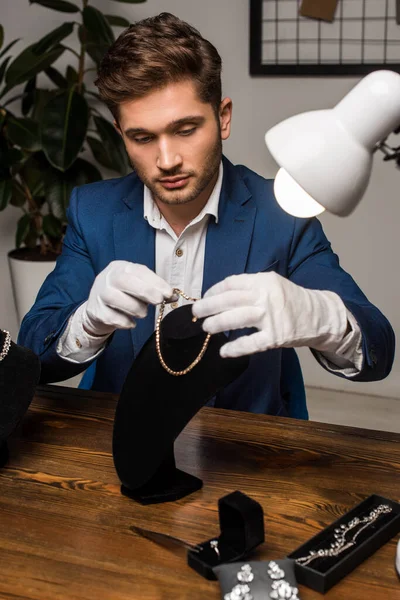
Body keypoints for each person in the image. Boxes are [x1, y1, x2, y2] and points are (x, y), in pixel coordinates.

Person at [18, 13, 394, 417]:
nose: (167, 160)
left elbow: (377, 351)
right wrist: (87, 321)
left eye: (185, 129)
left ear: (223, 117)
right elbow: (34, 353)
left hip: (246, 449)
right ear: (120, 133)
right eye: (142, 138)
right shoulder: (93, 211)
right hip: (121, 444)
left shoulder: (284, 213)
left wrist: (322, 318)